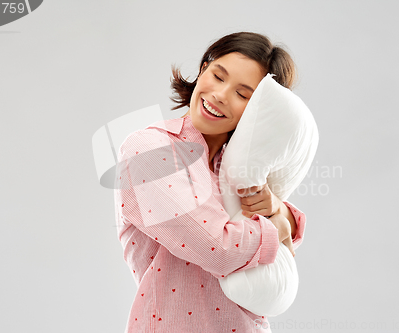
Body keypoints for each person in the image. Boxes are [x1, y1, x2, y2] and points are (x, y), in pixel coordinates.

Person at [114, 31, 307, 333]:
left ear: (260, 112)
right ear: (203, 68)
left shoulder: (238, 168)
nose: (219, 94)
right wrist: (277, 227)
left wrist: (281, 213)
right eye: (217, 76)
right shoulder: (149, 150)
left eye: (243, 95)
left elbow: (280, 249)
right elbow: (219, 247)